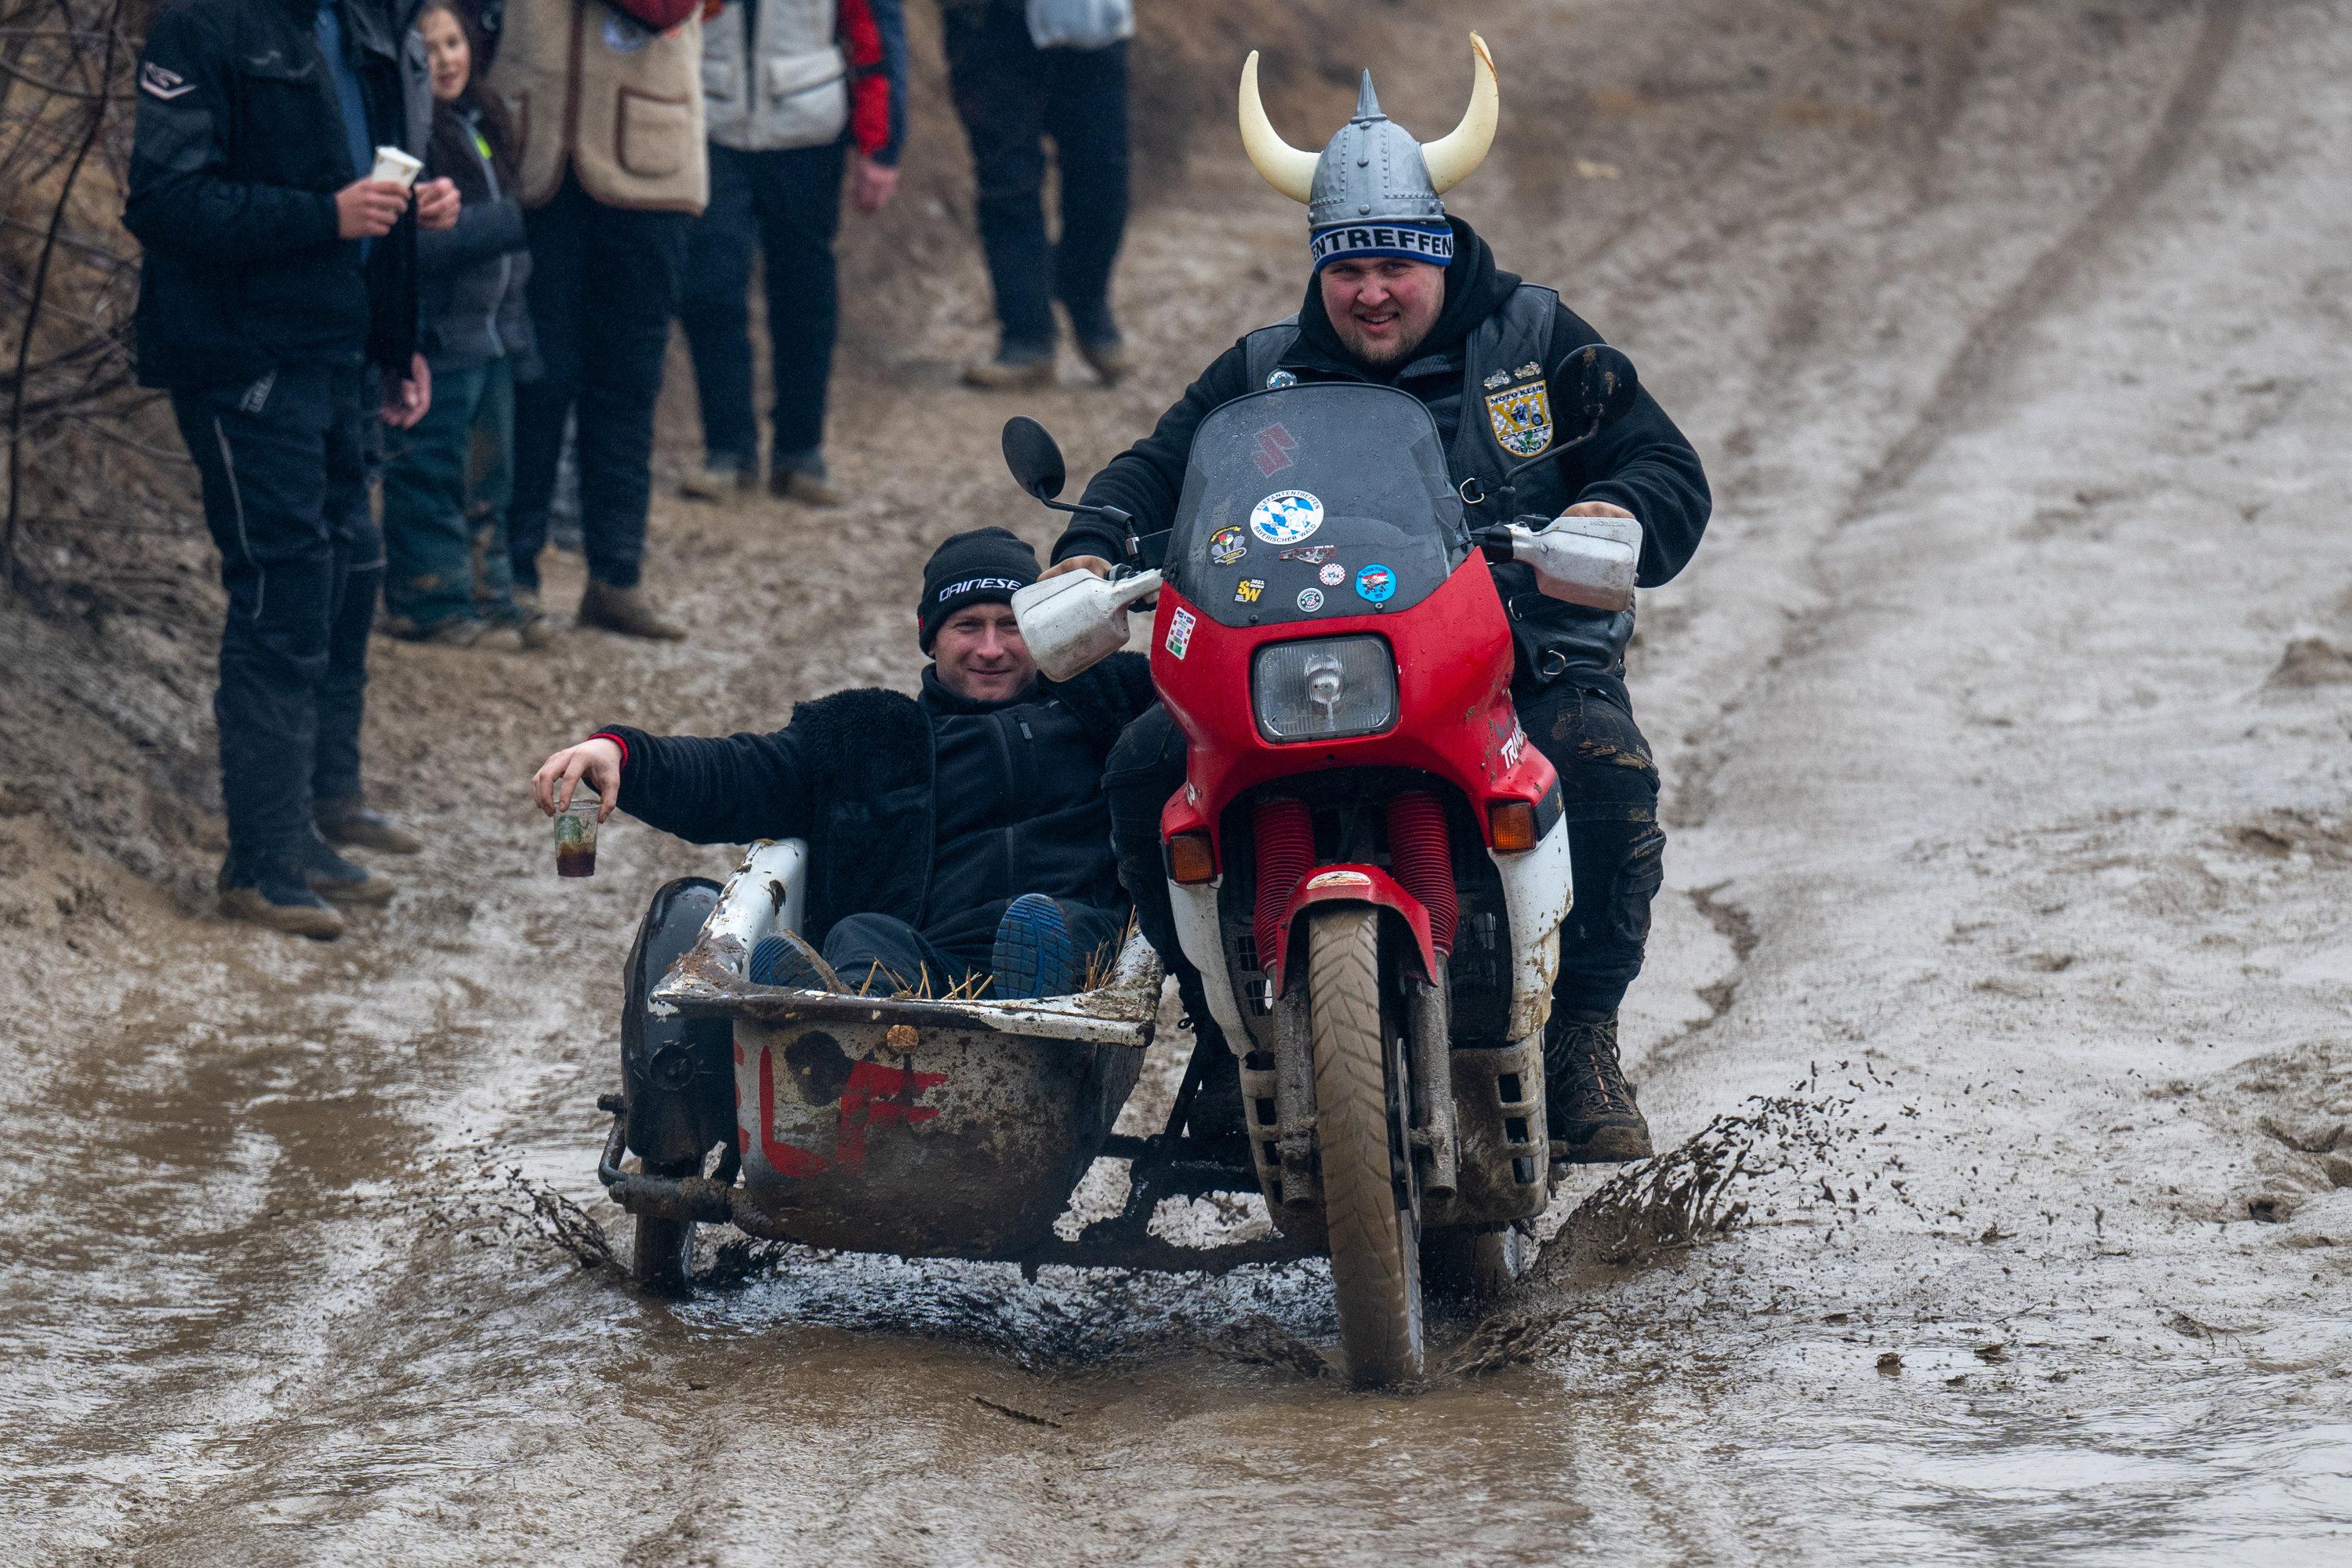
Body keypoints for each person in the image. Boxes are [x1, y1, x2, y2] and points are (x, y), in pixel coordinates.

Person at [1045, 38, 1712, 1163]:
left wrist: (1608, 513)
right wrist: (1088, 545)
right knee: (1148, 770)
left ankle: (1581, 1037)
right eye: (1346, 271)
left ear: (1439, 254)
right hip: (1298, 667)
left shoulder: (1538, 343)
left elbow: (1665, 468)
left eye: (1395, 268)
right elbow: (1155, 467)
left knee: (1600, 765)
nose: (1370, 293)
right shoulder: (1267, 370)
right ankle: (1225, 1029)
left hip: (1513, 666)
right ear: (1320, 269)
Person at [125, 0, 463, 938]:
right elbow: (162, 201)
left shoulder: (358, 22)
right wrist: (329, 215)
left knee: (348, 567)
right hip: (240, 353)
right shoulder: (201, 26)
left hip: (339, 350)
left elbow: (376, 192)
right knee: (284, 583)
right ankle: (260, 861)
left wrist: (403, 328)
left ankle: (313, 824)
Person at [530, 528, 1156, 996]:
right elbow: (739, 771)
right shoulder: (871, 738)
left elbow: (1213, 695)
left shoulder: (1106, 704)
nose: (990, 649)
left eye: (1009, 626)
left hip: (1067, 946)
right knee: (861, 934)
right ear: (928, 634)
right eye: (967, 626)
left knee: (1052, 925)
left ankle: (1033, 1017)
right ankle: (828, 1023)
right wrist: (620, 753)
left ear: (1042, 627)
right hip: (933, 966)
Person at [485, 0, 707, 641]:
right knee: (535, 381)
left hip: (650, 171)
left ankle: (616, 576)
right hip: (533, 156)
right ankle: (514, 577)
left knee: (626, 388)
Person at [677, 0, 908, 506]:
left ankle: (801, 451)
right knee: (709, 287)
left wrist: (880, 143)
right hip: (708, 122)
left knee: (804, 295)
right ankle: (726, 449)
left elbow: (873, 31)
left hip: (808, 128)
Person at [379, 0, 547, 648]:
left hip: (493, 335)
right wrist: (508, 225)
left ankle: (491, 595)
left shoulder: (481, 119)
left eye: (453, 43)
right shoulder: (411, 132)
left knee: (489, 477)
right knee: (429, 473)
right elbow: (417, 244)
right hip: (441, 337)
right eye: (428, 48)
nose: (445, 59)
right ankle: (430, 600)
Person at [941, 0, 1131, 390]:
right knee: (1005, 178)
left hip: (1090, 18)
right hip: (985, 19)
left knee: (1102, 171)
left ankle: (1085, 296)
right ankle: (1026, 338)